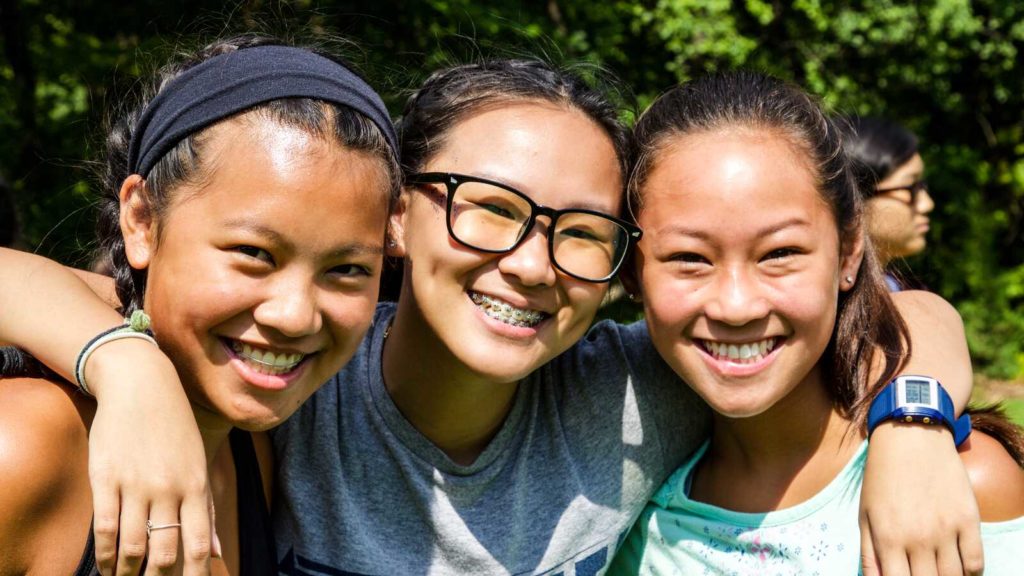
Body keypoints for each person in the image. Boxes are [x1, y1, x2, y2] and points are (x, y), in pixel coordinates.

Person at [0, 61, 982, 575]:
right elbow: (69, 287)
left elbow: (914, 310)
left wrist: (915, 424)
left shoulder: (636, 392)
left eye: (583, 232)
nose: (530, 265)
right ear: (395, 216)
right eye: (489, 207)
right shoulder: (298, 366)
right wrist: (122, 366)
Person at [0, 35, 398, 575]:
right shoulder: (23, 448)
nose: (295, 315)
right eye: (253, 253)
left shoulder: (254, 451)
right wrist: (127, 364)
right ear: (141, 220)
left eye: (347, 269)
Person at [611, 72, 1024, 575]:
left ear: (849, 252)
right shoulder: (625, 512)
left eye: (780, 253)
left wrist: (911, 425)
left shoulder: (959, 484)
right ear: (633, 272)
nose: (736, 306)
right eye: (689, 258)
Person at [845, 116, 935, 291]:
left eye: (922, 186)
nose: (927, 204)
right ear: (855, 199)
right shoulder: (829, 309)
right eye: (911, 187)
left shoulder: (895, 289)